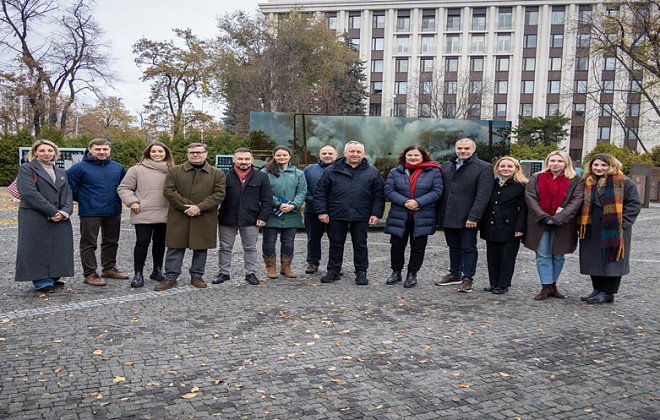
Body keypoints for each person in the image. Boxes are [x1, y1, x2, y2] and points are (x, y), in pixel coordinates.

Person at [154, 143, 226, 291]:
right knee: (175, 247)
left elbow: (219, 194)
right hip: (179, 215)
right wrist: (188, 207)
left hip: (204, 216)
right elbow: (169, 191)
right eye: (192, 152)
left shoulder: (217, 173)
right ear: (187, 154)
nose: (195, 155)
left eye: (199, 152)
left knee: (201, 248)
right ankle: (171, 277)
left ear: (206, 154)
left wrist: (199, 207)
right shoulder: (174, 171)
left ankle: (197, 276)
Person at [314, 141, 385, 285]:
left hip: (362, 214)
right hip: (336, 213)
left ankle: (361, 272)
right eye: (352, 151)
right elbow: (321, 192)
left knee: (360, 244)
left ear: (363, 154)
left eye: (358, 152)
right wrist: (322, 211)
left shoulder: (372, 172)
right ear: (345, 153)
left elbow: (379, 195)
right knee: (335, 243)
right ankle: (333, 271)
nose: (355, 154)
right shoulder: (331, 170)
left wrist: (376, 214)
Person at [577, 154, 641, 304]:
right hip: (593, 228)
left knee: (612, 261)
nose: (599, 168)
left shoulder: (624, 182)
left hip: (614, 229)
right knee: (594, 260)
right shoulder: (588, 182)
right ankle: (597, 289)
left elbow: (633, 205)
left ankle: (608, 292)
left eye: (603, 165)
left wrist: (622, 224)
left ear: (611, 166)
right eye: (596, 165)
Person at [523, 150, 585, 301]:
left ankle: (553, 285)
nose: (555, 164)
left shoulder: (576, 180)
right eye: (552, 161)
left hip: (563, 224)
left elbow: (576, 201)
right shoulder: (536, 178)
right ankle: (546, 286)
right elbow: (530, 198)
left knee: (558, 255)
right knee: (542, 254)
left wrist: (557, 218)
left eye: (559, 161)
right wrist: (543, 217)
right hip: (540, 222)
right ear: (547, 162)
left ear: (566, 163)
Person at [434, 138, 493, 293]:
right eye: (460, 148)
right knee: (453, 247)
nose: (463, 151)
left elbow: (483, 195)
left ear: (473, 149)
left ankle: (468, 278)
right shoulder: (447, 166)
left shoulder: (484, 168)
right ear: (456, 149)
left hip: (468, 216)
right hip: (449, 214)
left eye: (467, 148)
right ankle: (455, 273)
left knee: (468, 248)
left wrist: (474, 216)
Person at [15, 140, 74, 292]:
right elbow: (29, 193)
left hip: (59, 215)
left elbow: (68, 192)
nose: (46, 153)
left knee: (58, 247)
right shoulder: (27, 168)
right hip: (35, 215)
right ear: (35, 153)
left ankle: (54, 276)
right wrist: (52, 211)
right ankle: (41, 279)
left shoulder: (60, 171)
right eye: (42, 151)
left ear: (55, 152)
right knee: (36, 247)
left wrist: (65, 212)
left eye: (50, 150)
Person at [67, 138, 128, 286]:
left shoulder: (118, 167)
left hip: (113, 210)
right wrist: (85, 200)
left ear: (109, 150)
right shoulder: (78, 168)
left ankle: (109, 268)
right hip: (90, 212)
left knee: (111, 242)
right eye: (98, 149)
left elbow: (124, 186)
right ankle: (90, 273)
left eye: (105, 149)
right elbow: (70, 189)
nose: (102, 152)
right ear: (90, 149)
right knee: (89, 243)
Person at [384, 145, 443, 288]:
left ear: (423, 157)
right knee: (397, 246)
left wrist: (418, 202)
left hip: (422, 216)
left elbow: (437, 191)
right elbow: (389, 191)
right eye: (410, 155)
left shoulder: (433, 171)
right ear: (404, 157)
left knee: (418, 247)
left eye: (416, 155)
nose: (413, 158)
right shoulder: (396, 171)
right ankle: (396, 272)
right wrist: (405, 202)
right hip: (400, 216)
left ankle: (412, 274)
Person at [117, 142, 174, 288]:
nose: (157, 154)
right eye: (153, 151)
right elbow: (124, 188)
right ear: (148, 153)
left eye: (160, 151)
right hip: (143, 212)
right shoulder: (136, 170)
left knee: (160, 243)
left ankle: (157, 270)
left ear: (165, 153)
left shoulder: (172, 170)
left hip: (165, 212)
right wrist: (132, 202)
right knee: (142, 242)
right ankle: (138, 273)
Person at [214, 148, 272, 286]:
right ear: (234, 160)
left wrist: (263, 216)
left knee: (250, 247)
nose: (243, 162)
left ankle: (250, 273)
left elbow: (267, 199)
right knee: (225, 247)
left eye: (247, 159)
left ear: (252, 160)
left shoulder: (261, 177)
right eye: (240, 159)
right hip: (227, 216)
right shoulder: (223, 176)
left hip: (251, 218)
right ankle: (224, 272)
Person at [479, 157, 528, 295]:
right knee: (492, 256)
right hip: (491, 223)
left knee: (507, 257)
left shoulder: (521, 185)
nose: (505, 169)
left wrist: (520, 227)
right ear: (497, 168)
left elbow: (524, 209)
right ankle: (493, 282)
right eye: (502, 166)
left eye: (509, 166)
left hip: (510, 224)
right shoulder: (492, 183)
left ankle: (503, 284)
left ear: (516, 168)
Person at [261, 146, 307, 279]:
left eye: (284, 155)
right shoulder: (265, 172)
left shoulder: (299, 173)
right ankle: (271, 267)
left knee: (288, 242)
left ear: (289, 156)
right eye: (279, 155)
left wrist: (294, 205)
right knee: (269, 241)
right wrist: (277, 203)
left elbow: (302, 191)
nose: (282, 157)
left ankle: (286, 267)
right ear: (274, 156)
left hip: (292, 213)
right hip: (272, 212)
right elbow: (265, 191)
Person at [303, 144, 338, 274]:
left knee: (336, 240)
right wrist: (318, 205)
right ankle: (313, 262)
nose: (327, 156)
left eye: (330, 153)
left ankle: (335, 265)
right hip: (312, 211)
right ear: (319, 155)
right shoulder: (309, 169)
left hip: (335, 212)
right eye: (324, 153)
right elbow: (303, 189)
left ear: (336, 155)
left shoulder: (341, 170)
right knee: (313, 238)